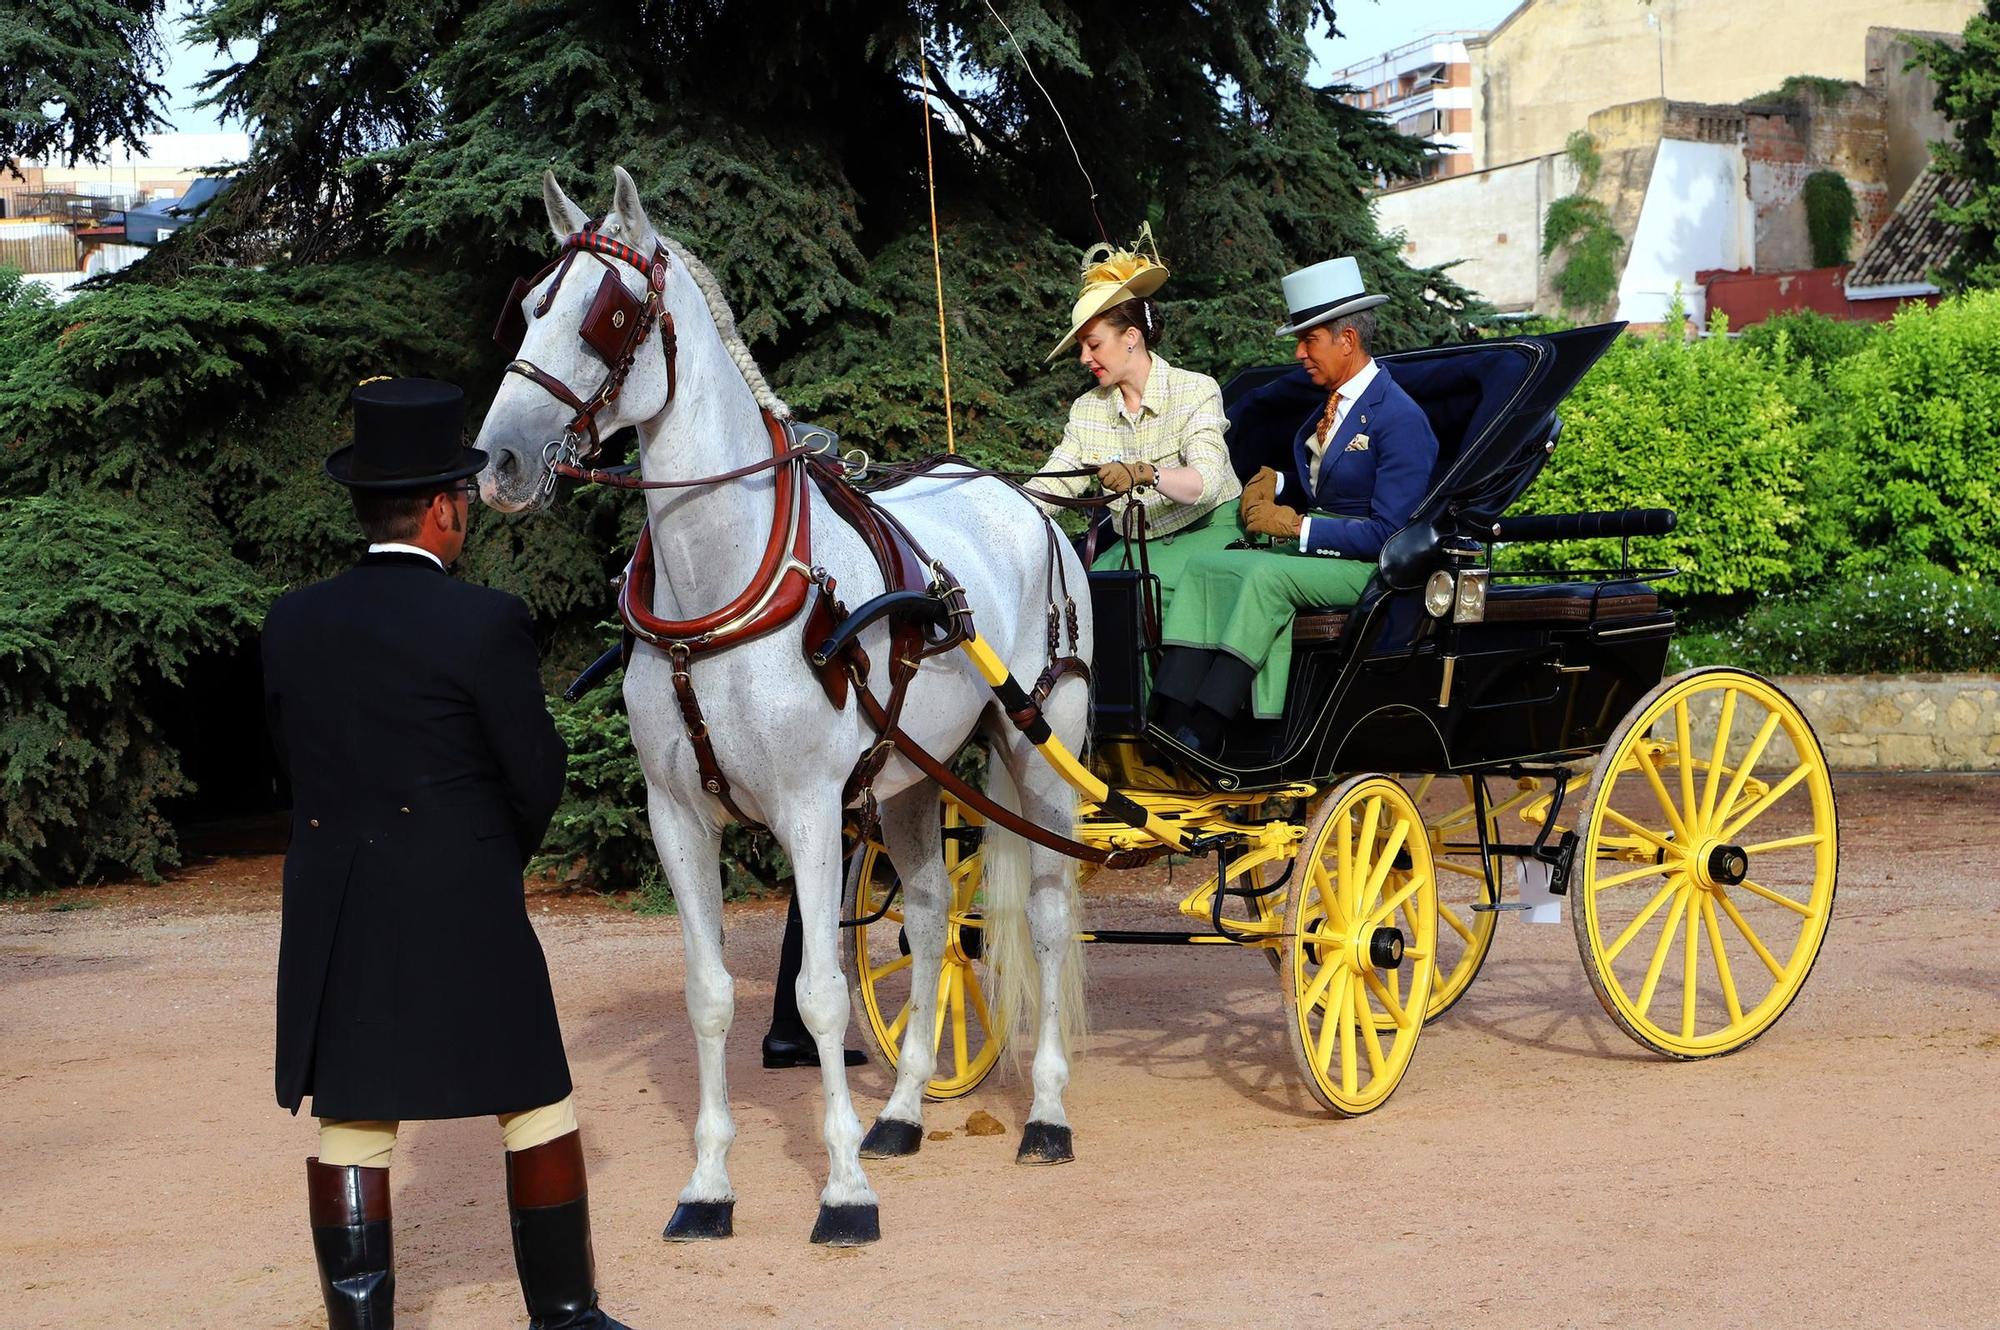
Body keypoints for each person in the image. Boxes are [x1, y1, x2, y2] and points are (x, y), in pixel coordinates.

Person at [262, 378, 636, 1330]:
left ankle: (361, 1323)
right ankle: (563, 1315)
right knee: (536, 1102)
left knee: (352, 1119)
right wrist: (477, 857)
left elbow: (292, 768)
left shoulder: (291, 622)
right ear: (440, 507)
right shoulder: (485, 621)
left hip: (341, 896)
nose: (467, 511)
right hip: (465, 895)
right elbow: (535, 775)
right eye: (463, 496)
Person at [1150, 257, 1440, 758]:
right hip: (1323, 552)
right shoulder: (1327, 406)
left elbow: (1390, 531)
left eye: (1310, 340)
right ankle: (1170, 710)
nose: (1300, 353)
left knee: (1264, 575)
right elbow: (1332, 485)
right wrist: (1279, 483)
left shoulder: (1400, 419)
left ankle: (1212, 724)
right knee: (1207, 564)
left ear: (1346, 340)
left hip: (1371, 568)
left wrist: (1297, 527)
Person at [1032, 229, 1242, 591]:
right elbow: (1054, 483)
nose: (1084, 358)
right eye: (1081, 347)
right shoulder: (1087, 410)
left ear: (1131, 338)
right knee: (1082, 599)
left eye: (1093, 344)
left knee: (1128, 600)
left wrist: (1145, 473)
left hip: (1211, 536)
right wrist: (999, 503)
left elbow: (1204, 486)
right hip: (1140, 549)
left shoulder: (1195, 390)